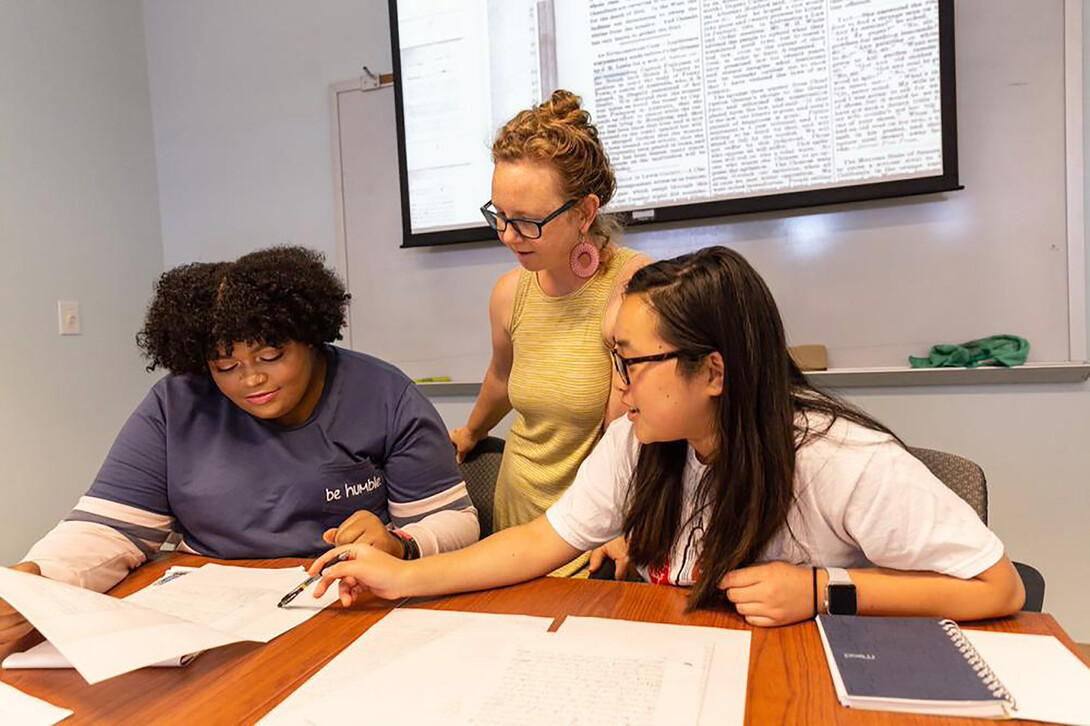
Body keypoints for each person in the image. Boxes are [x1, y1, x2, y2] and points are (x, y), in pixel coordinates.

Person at [307, 246, 1025, 626]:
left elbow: (999, 588)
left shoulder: (840, 459)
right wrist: (403, 578)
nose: (615, 386)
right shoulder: (641, 440)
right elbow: (539, 541)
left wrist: (820, 590)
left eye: (631, 362)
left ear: (712, 371)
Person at [0, 246, 477, 647]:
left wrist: (400, 543)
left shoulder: (382, 394)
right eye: (225, 365)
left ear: (310, 336)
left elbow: (455, 522)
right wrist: (38, 580)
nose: (251, 378)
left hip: (345, 607)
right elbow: (109, 528)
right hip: (205, 620)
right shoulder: (177, 403)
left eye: (271, 356)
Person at [448, 89, 648, 575]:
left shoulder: (633, 288)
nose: (509, 237)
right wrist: (470, 432)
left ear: (584, 212)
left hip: (596, 528)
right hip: (516, 517)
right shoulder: (509, 293)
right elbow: (501, 377)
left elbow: (633, 432)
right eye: (499, 216)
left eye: (528, 223)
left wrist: (629, 526)